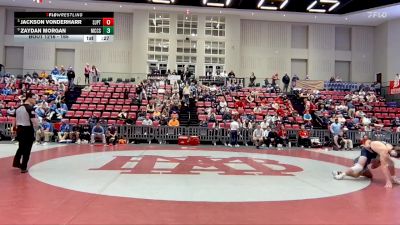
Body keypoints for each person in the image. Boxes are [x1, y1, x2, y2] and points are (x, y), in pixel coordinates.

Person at [332, 140, 400, 188]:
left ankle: (394, 178)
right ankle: (341, 174)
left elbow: (373, 167)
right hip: (365, 154)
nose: (393, 157)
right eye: (395, 155)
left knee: (368, 175)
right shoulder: (384, 151)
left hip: (370, 157)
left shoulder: (389, 147)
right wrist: (388, 181)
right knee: (358, 168)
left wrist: (378, 162)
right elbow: (384, 167)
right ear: (394, 150)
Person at [12, 93, 38, 173]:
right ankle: (24, 167)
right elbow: (34, 122)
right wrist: (37, 128)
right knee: (27, 149)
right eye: (34, 98)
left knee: (21, 147)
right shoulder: (30, 108)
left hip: (20, 129)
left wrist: (14, 129)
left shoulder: (18, 108)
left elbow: (14, 120)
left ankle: (16, 162)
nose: (35, 100)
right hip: (28, 129)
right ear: (29, 98)